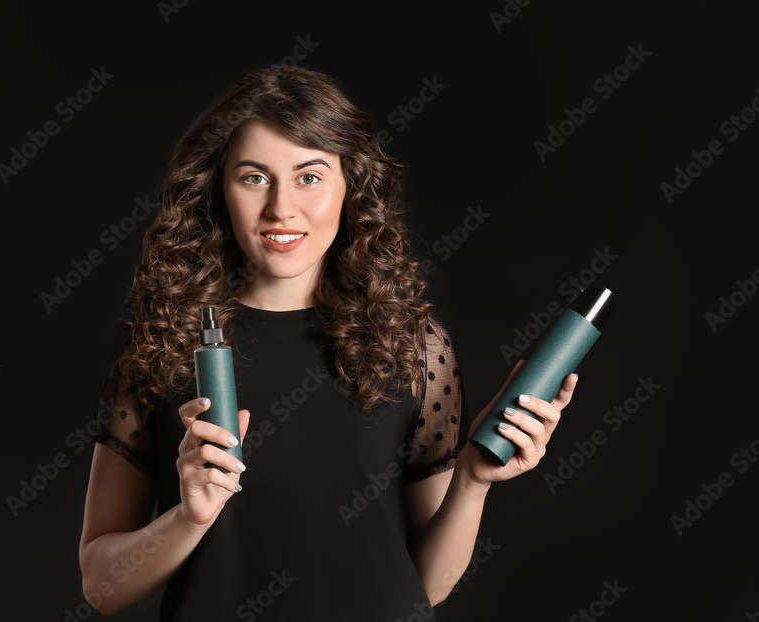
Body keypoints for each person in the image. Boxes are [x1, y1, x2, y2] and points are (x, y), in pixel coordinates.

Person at [78, 65, 578, 620]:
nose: (281, 209)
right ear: (218, 187)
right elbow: (102, 586)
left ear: (350, 187)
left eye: (310, 177)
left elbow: (425, 586)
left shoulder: (411, 346)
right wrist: (189, 517)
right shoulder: (158, 343)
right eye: (254, 177)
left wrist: (472, 480)